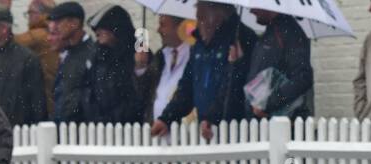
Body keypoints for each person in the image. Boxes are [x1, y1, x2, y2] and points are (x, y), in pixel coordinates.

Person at [152, 2, 257, 142]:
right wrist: (167, 118)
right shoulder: (199, 44)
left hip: (235, 131)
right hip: (207, 130)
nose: (198, 24)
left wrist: (238, 64)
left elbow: (236, 87)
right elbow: (187, 87)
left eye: (202, 18)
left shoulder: (242, 38)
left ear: (218, 15)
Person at [244, 9, 313, 120]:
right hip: (262, 123)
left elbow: (303, 77)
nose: (251, 10)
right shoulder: (270, 32)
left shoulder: (289, 32)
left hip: (283, 124)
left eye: (255, 3)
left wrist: (268, 104)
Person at [84, 5, 140, 122]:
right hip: (98, 126)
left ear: (116, 28)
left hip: (127, 127)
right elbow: (88, 90)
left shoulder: (137, 55)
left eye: (103, 27)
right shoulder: (97, 55)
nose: (97, 32)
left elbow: (137, 96)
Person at [134, 14, 190, 124]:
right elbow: (143, 92)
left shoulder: (193, 54)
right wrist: (141, 67)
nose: (158, 30)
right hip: (157, 132)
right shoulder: (161, 56)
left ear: (179, 28)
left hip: (185, 133)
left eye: (163, 25)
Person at [47, 1, 93, 122]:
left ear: (75, 23)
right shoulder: (69, 52)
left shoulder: (92, 54)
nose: (55, 27)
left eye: (59, 22)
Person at [16, 0, 58, 115]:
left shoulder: (38, 35)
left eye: (30, 12)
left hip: (46, 96)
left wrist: (4, 12)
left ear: (42, 14)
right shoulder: (51, 32)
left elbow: (10, 42)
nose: (28, 16)